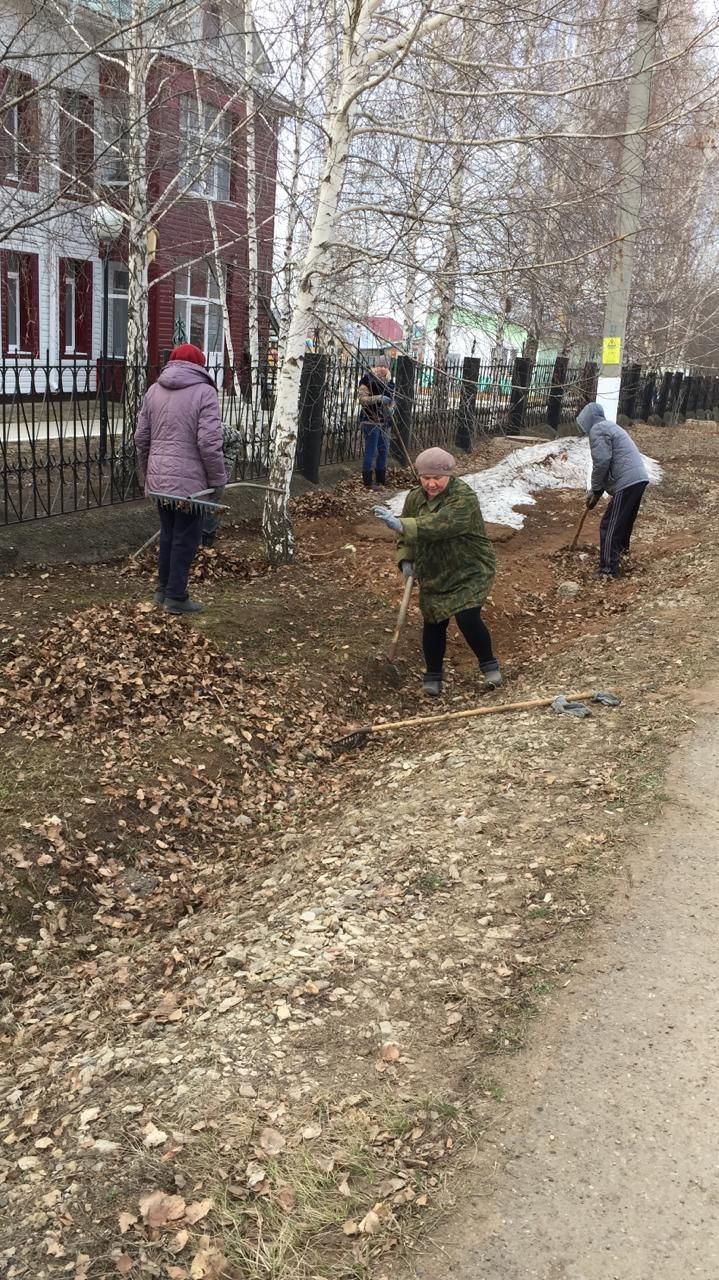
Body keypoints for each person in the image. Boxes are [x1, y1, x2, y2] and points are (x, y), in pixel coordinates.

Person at [373, 446, 501, 696]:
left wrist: (402, 524)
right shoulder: (414, 498)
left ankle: (489, 666)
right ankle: (432, 676)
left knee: (467, 616)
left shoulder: (463, 497)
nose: (431, 484)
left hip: (469, 568)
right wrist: (405, 558)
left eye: (437, 478)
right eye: (426, 478)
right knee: (433, 621)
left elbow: (442, 524)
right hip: (433, 570)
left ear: (449, 476)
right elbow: (405, 536)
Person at [134, 343, 226, 614]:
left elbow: (141, 438)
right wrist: (217, 480)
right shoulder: (205, 392)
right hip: (190, 486)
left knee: (169, 534)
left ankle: (163, 591)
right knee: (185, 538)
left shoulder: (154, 390)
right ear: (200, 365)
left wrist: (147, 475)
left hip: (161, 481)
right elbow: (209, 442)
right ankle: (176, 595)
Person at [576, 402, 649, 578]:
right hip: (638, 479)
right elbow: (608, 462)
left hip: (627, 481)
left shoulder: (598, 430)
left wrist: (594, 489)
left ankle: (608, 569)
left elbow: (601, 463)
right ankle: (622, 554)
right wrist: (598, 492)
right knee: (622, 522)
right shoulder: (610, 427)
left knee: (609, 525)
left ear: (587, 419)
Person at [358, 358, 395, 489]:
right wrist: (378, 398)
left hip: (385, 421)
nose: (382, 368)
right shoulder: (367, 380)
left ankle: (381, 479)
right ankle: (368, 482)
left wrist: (391, 408)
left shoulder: (390, 383)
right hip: (370, 420)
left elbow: (392, 400)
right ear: (375, 367)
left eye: (385, 366)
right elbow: (362, 399)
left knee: (383, 450)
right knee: (371, 451)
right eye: (380, 366)